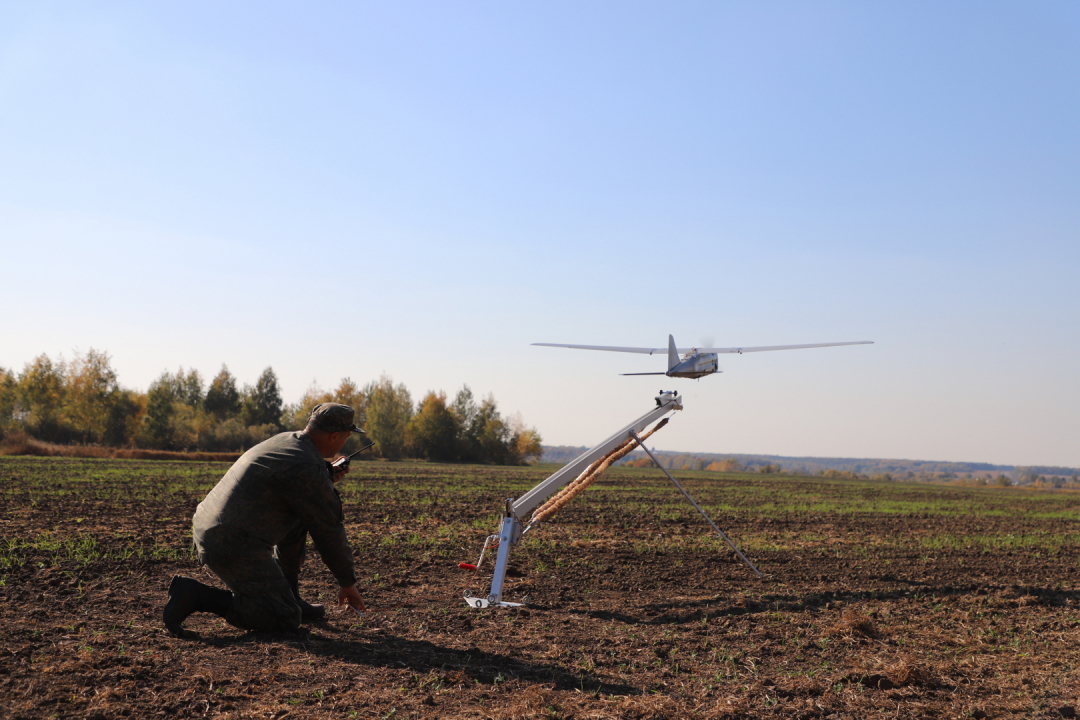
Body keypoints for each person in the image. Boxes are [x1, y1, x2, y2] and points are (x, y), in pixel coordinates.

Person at [163, 403, 366, 638]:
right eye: (346, 437)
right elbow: (329, 530)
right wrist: (347, 583)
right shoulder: (307, 468)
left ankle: (290, 595)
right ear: (334, 436)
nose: (345, 443)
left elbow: (293, 481)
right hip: (229, 541)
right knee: (285, 617)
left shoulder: (286, 441)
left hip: (214, 528)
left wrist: (325, 475)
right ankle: (196, 596)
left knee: (302, 514)